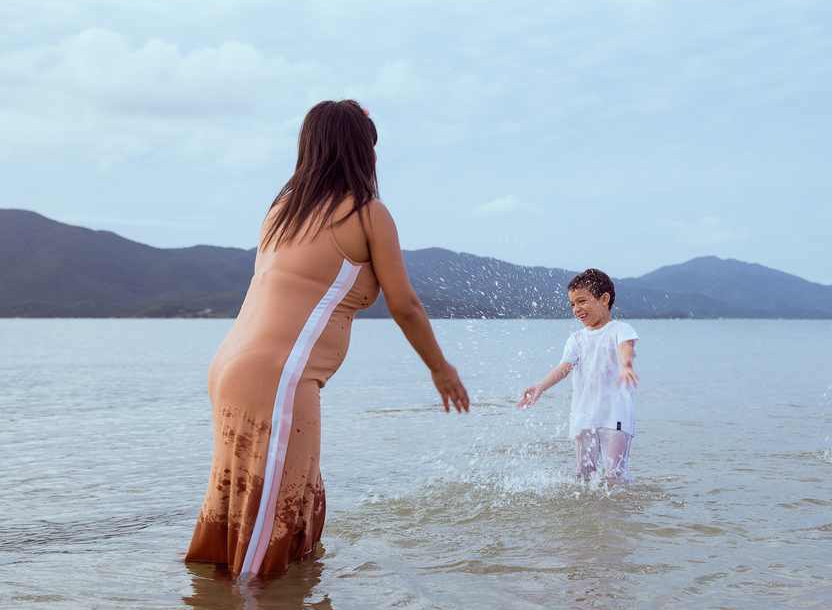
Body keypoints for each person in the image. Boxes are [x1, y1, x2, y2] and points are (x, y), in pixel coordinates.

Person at [186, 100, 469, 577]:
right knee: (266, 543)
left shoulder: (281, 211)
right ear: (360, 150)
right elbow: (405, 305)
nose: (375, 156)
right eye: (371, 146)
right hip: (277, 379)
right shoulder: (367, 214)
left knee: (285, 508)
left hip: (231, 369)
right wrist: (440, 368)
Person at [516, 269, 639, 481]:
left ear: (604, 299)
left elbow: (625, 347)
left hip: (616, 416)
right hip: (584, 417)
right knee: (583, 476)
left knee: (616, 475)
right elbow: (564, 367)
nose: (576, 309)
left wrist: (626, 363)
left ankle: (622, 503)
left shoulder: (620, 329)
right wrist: (541, 386)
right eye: (572, 304)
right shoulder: (576, 339)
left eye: (582, 301)